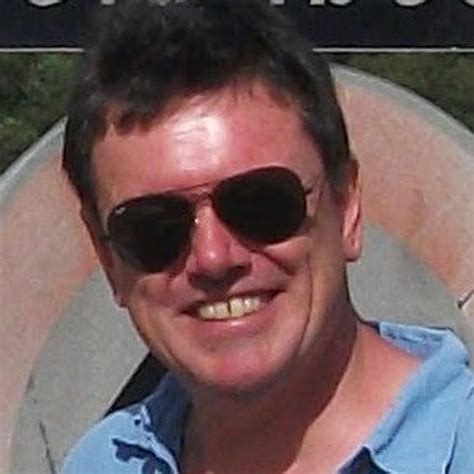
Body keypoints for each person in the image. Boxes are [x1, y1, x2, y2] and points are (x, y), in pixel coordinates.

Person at [61, 1, 474, 472]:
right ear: (107, 257)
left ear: (345, 206)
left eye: (259, 204)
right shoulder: (102, 463)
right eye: (154, 226)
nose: (214, 257)